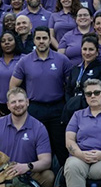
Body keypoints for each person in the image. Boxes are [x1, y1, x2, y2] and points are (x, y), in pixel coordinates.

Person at [10, 26, 72, 159]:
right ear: (34, 40)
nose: (41, 41)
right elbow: (13, 86)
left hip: (58, 109)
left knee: (60, 146)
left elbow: (70, 85)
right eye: (38, 38)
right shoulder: (24, 61)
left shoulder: (62, 60)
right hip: (35, 109)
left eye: (45, 38)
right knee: (35, 146)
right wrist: (21, 104)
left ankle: (63, 177)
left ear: (50, 40)